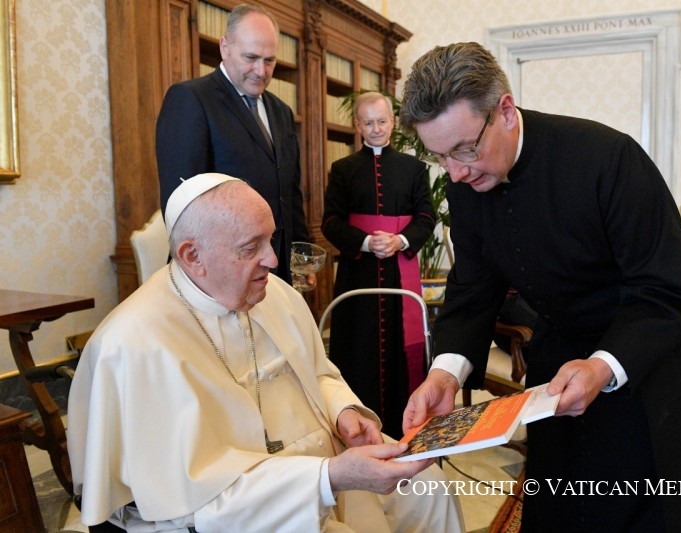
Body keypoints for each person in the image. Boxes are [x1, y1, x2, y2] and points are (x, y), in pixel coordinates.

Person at [398, 42, 681, 532]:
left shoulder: (608, 158)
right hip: (559, 368)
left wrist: (603, 366)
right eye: (441, 156)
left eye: (466, 148)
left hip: (645, 359)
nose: (457, 171)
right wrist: (445, 373)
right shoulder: (465, 186)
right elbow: (472, 291)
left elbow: (668, 292)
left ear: (505, 111)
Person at [67, 174, 464, 532]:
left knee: (432, 488)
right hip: (237, 510)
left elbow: (319, 373)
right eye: (250, 246)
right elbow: (191, 502)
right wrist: (327, 479)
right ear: (192, 256)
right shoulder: (130, 345)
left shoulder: (274, 294)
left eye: (270, 238)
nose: (273, 260)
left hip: (325, 462)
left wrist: (343, 411)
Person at [156, 4, 310, 284]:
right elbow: (181, 202)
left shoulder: (282, 112)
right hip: (221, 272)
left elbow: (289, 193)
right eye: (250, 57)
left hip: (277, 267)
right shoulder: (190, 99)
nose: (261, 71)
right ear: (224, 47)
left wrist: (299, 253)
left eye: (270, 60)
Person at [321, 92, 435, 439]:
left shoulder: (414, 169)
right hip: (359, 278)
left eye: (382, 121)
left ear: (392, 122)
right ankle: (359, 431)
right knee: (359, 350)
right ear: (357, 125)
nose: (376, 129)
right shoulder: (342, 170)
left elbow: (426, 216)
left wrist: (400, 240)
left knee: (401, 353)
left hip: (401, 276)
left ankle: (407, 430)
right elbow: (330, 222)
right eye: (368, 122)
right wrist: (367, 242)